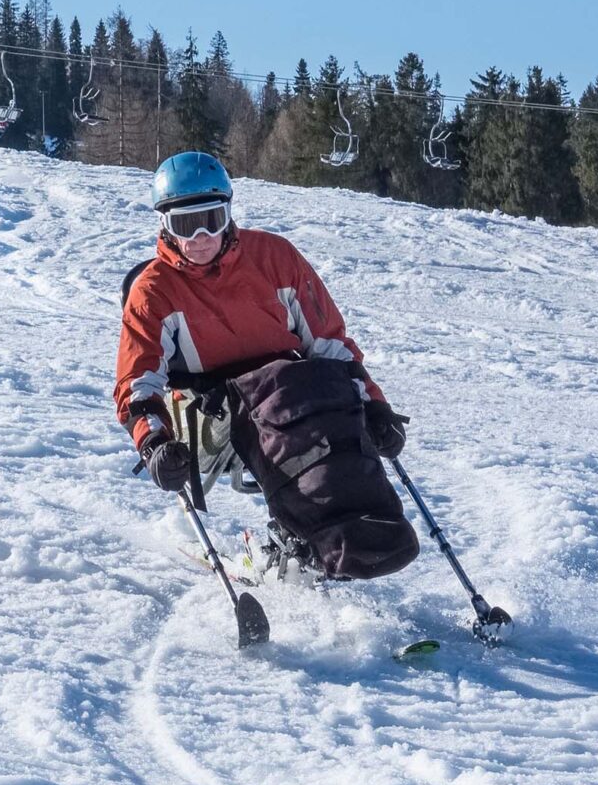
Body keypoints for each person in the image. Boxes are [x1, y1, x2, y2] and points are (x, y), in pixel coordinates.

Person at [114, 151, 418, 581]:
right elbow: (137, 383)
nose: (201, 236)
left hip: (289, 395)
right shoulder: (153, 292)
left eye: (213, 219)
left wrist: (373, 406)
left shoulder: (275, 257)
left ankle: (354, 534)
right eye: (186, 224)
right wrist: (153, 443)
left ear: (229, 215)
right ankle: (304, 533)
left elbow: (330, 345)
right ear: (165, 225)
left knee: (327, 411)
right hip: (206, 412)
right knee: (282, 419)